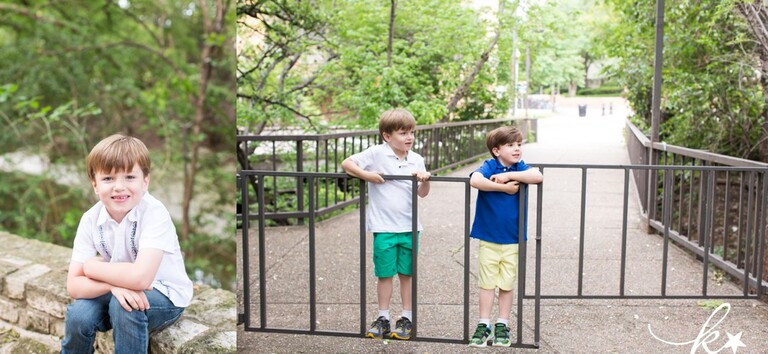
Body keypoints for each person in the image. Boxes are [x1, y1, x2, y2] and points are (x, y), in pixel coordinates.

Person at [61, 134, 193, 354]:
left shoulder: (154, 213)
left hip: (166, 296)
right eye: (108, 179)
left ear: (145, 181)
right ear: (95, 184)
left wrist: (92, 267)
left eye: (130, 177)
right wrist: (113, 286)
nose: (119, 187)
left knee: (125, 307)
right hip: (116, 288)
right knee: (79, 314)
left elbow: (141, 278)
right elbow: (74, 286)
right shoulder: (90, 219)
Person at [341, 108, 431, 341]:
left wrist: (425, 180)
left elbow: (422, 194)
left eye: (411, 132)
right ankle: (383, 317)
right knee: (384, 274)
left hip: (410, 227)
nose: (409, 137)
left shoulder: (417, 158)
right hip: (384, 227)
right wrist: (366, 175)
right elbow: (347, 163)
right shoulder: (376, 154)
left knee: (407, 274)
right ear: (387, 136)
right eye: (403, 133)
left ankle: (407, 317)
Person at [467, 126, 543, 347]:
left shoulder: (520, 167)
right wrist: (504, 188)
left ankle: (502, 322)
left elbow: (537, 176)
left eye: (519, 144)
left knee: (507, 283)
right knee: (487, 283)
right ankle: (484, 323)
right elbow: (475, 180)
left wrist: (508, 175)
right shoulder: (490, 165)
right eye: (510, 145)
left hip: (512, 237)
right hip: (489, 236)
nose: (517, 149)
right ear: (496, 150)